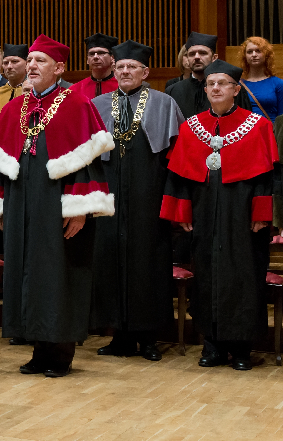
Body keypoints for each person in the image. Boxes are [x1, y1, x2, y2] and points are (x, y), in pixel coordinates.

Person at [0, 35, 115, 378]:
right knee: (27, 273)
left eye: (40, 61)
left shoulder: (77, 104)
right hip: (21, 205)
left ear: (59, 68)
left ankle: (60, 353)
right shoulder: (13, 109)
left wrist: (80, 209)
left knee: (58, 276)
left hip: (58, 207)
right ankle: (38, 349)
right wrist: (0, 208)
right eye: (30, 60)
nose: (32, 66)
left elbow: (88, 164)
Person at [161, 59, 276, 371]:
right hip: (204, 213)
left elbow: (267, 177)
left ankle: (241, 348)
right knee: (206, 273)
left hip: (243, 215)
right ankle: (211, 344)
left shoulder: (258, 125)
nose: (215, 88)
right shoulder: (191, 127)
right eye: (211, 84)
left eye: (222, 83)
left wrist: (262, 213)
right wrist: (182, 212)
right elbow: (179, 177)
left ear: (236, 90)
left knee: (243, 275)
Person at [90, 40, 184, 362]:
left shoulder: (164, 103)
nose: (125, 71)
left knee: (148, 263)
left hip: (149, 196)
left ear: (145, 72)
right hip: (110, 196)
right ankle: (119, 336)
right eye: (120, 67)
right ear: (113, 70)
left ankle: (149, 339)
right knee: (110, 262)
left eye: (132, 67)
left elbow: (175, 157)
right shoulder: (98, 104)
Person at [168, 32, 251, 118]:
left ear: (214, 58)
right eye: (192, 54)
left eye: (202, 53)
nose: (196, 57)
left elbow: (246, 120)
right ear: (188, 59)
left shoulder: (231, 88)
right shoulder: (173, 91)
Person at [239, 36, 283, 122]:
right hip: (245, 129)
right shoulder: (237, 84)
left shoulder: (278, 84)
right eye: (249, 52)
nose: (254, 55)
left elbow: (281, 117)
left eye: (258, 51)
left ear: (266, 54)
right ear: (245, 56)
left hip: (269, 129)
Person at [70, 33, 118, 99]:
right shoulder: (75, 89)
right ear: (87, 60)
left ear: (112, 58)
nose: (95, 57)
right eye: (91, 54)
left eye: (101, 53)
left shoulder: (122, 87)